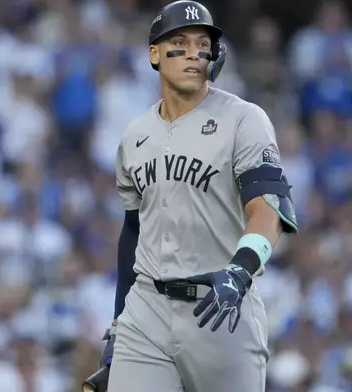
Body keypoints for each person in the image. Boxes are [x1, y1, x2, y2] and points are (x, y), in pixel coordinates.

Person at [82, 1, 298, 391]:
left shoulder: (244, 119)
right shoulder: (135, 135)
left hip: (220, 307)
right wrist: (118, 321)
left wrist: (241, 269)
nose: (194, 52)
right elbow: (133, 232)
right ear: (154, 55)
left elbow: (268, 211)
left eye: (203, 43)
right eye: (179, 42)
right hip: (146, 310)